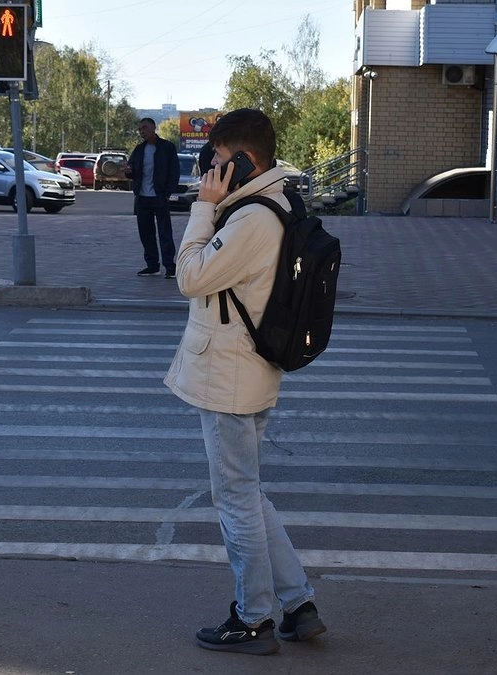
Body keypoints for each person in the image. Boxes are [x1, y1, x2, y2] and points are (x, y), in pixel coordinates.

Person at [163, 108, 325, 656]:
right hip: (247, 370)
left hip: (231, 377)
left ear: (243, 160)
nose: (209, 170)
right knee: (248, 493)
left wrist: (202, 208)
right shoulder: (273, 202)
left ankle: (253, 618)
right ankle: (298, 604)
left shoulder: (252, 218)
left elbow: (190, 276)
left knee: (235, 500)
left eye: (216, 159)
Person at [125, 117, 180, 279]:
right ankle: (152, 266)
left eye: (145, 128)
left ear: (154, 128)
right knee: (146, 233)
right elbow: (132, 171)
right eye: (140, 129)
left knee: (165, 233)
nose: (142, 131)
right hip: (142, 198)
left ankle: (170, 267)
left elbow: (174, 172)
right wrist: (128, 172)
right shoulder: (139, 149)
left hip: (160, 197)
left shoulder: (167, 147)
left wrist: (167, 193)